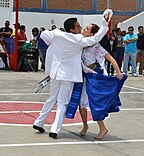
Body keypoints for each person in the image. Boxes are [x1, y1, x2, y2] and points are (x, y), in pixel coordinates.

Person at [33, 9, 113, 139]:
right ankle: (55, 129)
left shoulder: (57, 34)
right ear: (72, 29)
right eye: (78, 26)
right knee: (62, 102)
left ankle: (39, 122)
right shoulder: (79, 40)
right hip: (68, 75)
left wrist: (54, 40)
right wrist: (105, 23)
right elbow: (97, 37)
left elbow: (43, 35)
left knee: (51, 98)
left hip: (55, 72)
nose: (81, 27)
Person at [67, 24, 124, 140]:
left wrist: (118, 72)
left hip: (93, 77)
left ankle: (102, 128)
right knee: (81, 104)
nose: (84, 29)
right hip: (81, 76)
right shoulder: (80, 42)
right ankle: (85, 126)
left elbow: (110, 58)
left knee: (96, 102)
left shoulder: (95, 46)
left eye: (87, 29)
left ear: (93, 34)